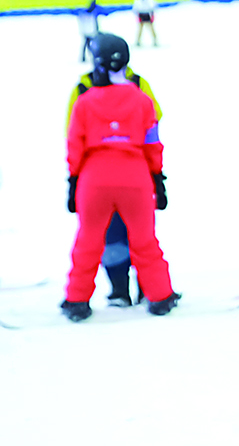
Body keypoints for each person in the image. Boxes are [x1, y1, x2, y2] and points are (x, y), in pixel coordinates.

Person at [64, 34, 177, 321]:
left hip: (94, 177)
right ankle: (160, 296)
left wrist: (73, 181)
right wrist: (158, 177)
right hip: (135, 176)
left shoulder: (83, 100)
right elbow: (152, 141)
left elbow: (74, 143)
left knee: (88, 241)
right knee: (145, 240)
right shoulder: (142, 99)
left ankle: (77, 300)